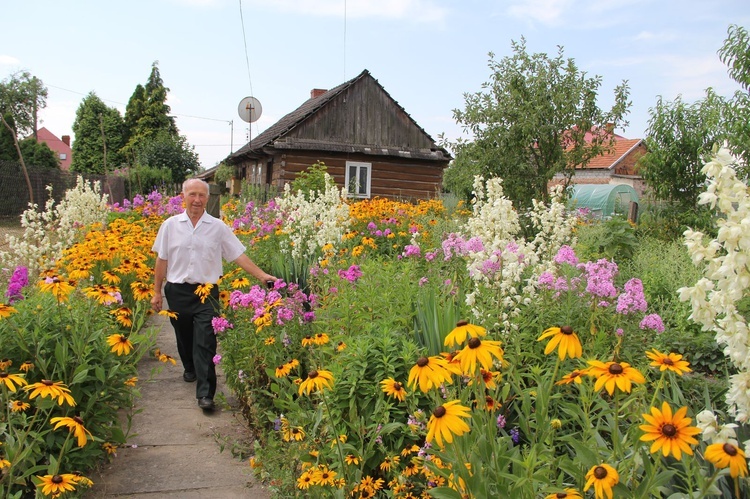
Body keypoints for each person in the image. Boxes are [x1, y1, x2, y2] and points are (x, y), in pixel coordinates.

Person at [150, 178, 276, 411]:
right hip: (177, 291)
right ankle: (189, 366)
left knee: (206, 341)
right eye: (192, 195)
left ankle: (206, 393)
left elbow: (238, 255)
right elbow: (162, 259)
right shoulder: (170, 225)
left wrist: (261, 275)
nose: (197, 200)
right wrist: (157, 292)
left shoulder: (218, 227)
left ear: (208, 199)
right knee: (184, 335)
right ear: (183, 196)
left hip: (207, 293)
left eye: (201, 195)